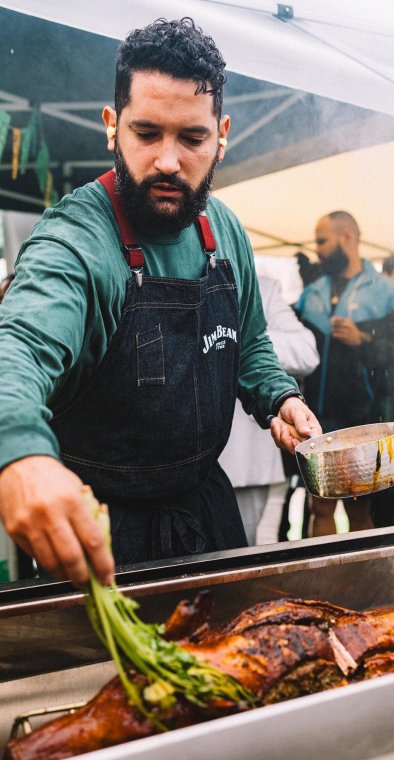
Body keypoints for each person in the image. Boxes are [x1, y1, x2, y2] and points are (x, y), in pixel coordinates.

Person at [0, 18, 321, 587]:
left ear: (221, 134)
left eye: (191, 138)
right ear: (111, 126)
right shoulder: (74, 242)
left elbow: (248, 345)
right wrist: (20, 455)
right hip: (99, 530)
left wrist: (278, 397)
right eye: (146, 133)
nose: (168, 161)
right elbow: (17, 350)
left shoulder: (225, 232)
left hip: (206, 511)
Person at [294, 211, 394, 536]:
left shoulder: (386, 292)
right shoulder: (314, 292)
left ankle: (359, 583)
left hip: (363, 418)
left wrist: (363, 339)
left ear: (347, 237)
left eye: (322, 240)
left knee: (358, 504)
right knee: (318, 504)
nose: (318, 249)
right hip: (317, 415)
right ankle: (321, 584)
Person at [219, 275, 319, 544]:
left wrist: (244, 336)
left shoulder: (261, 286)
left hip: (243, 461)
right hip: (156, 463)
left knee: (237, 558)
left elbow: (306, 351)